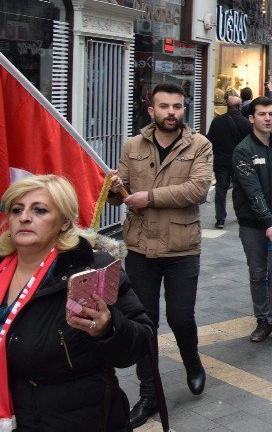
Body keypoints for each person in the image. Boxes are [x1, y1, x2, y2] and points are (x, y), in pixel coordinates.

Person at [0, 175, 155, 430]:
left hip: (78, 420)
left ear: (63, 223)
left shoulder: (92, 271)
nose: (24, 217)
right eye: (17, 210)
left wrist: (107, 329)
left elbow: (141, 342)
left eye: (39, 210)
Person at [108, 82, 212, 428]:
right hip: (140, 248)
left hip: (182, 248)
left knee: (181, 318)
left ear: (184, 109)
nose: (171, 112)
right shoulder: (132, 145)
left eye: (177, 107)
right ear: (151, 110)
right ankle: (149, 393)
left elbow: (196, 189)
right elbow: (120, 193)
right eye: (164, 106)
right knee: (144, 322)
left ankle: (192, 363)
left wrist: (148, 197)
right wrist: (112, 191)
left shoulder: (199, 145)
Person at [232, 96, 272, 347]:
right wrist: (267, 221)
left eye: (271, 114)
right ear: (251, 118)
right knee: (258, 273)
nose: (268, 118)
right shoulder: (243, 150)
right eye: (262, 114)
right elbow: (252, 191)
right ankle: (262, 320)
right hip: (253, 224)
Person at [206, 92, 252, 229]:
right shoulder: (246, 123)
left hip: (221, 161)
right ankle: (240, 214)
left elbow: (209, 140)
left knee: (221, 188)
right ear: (239, 107)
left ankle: (220, 218)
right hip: (239, 161)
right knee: (239, 188)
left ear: (227, 106)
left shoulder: (217, 121)